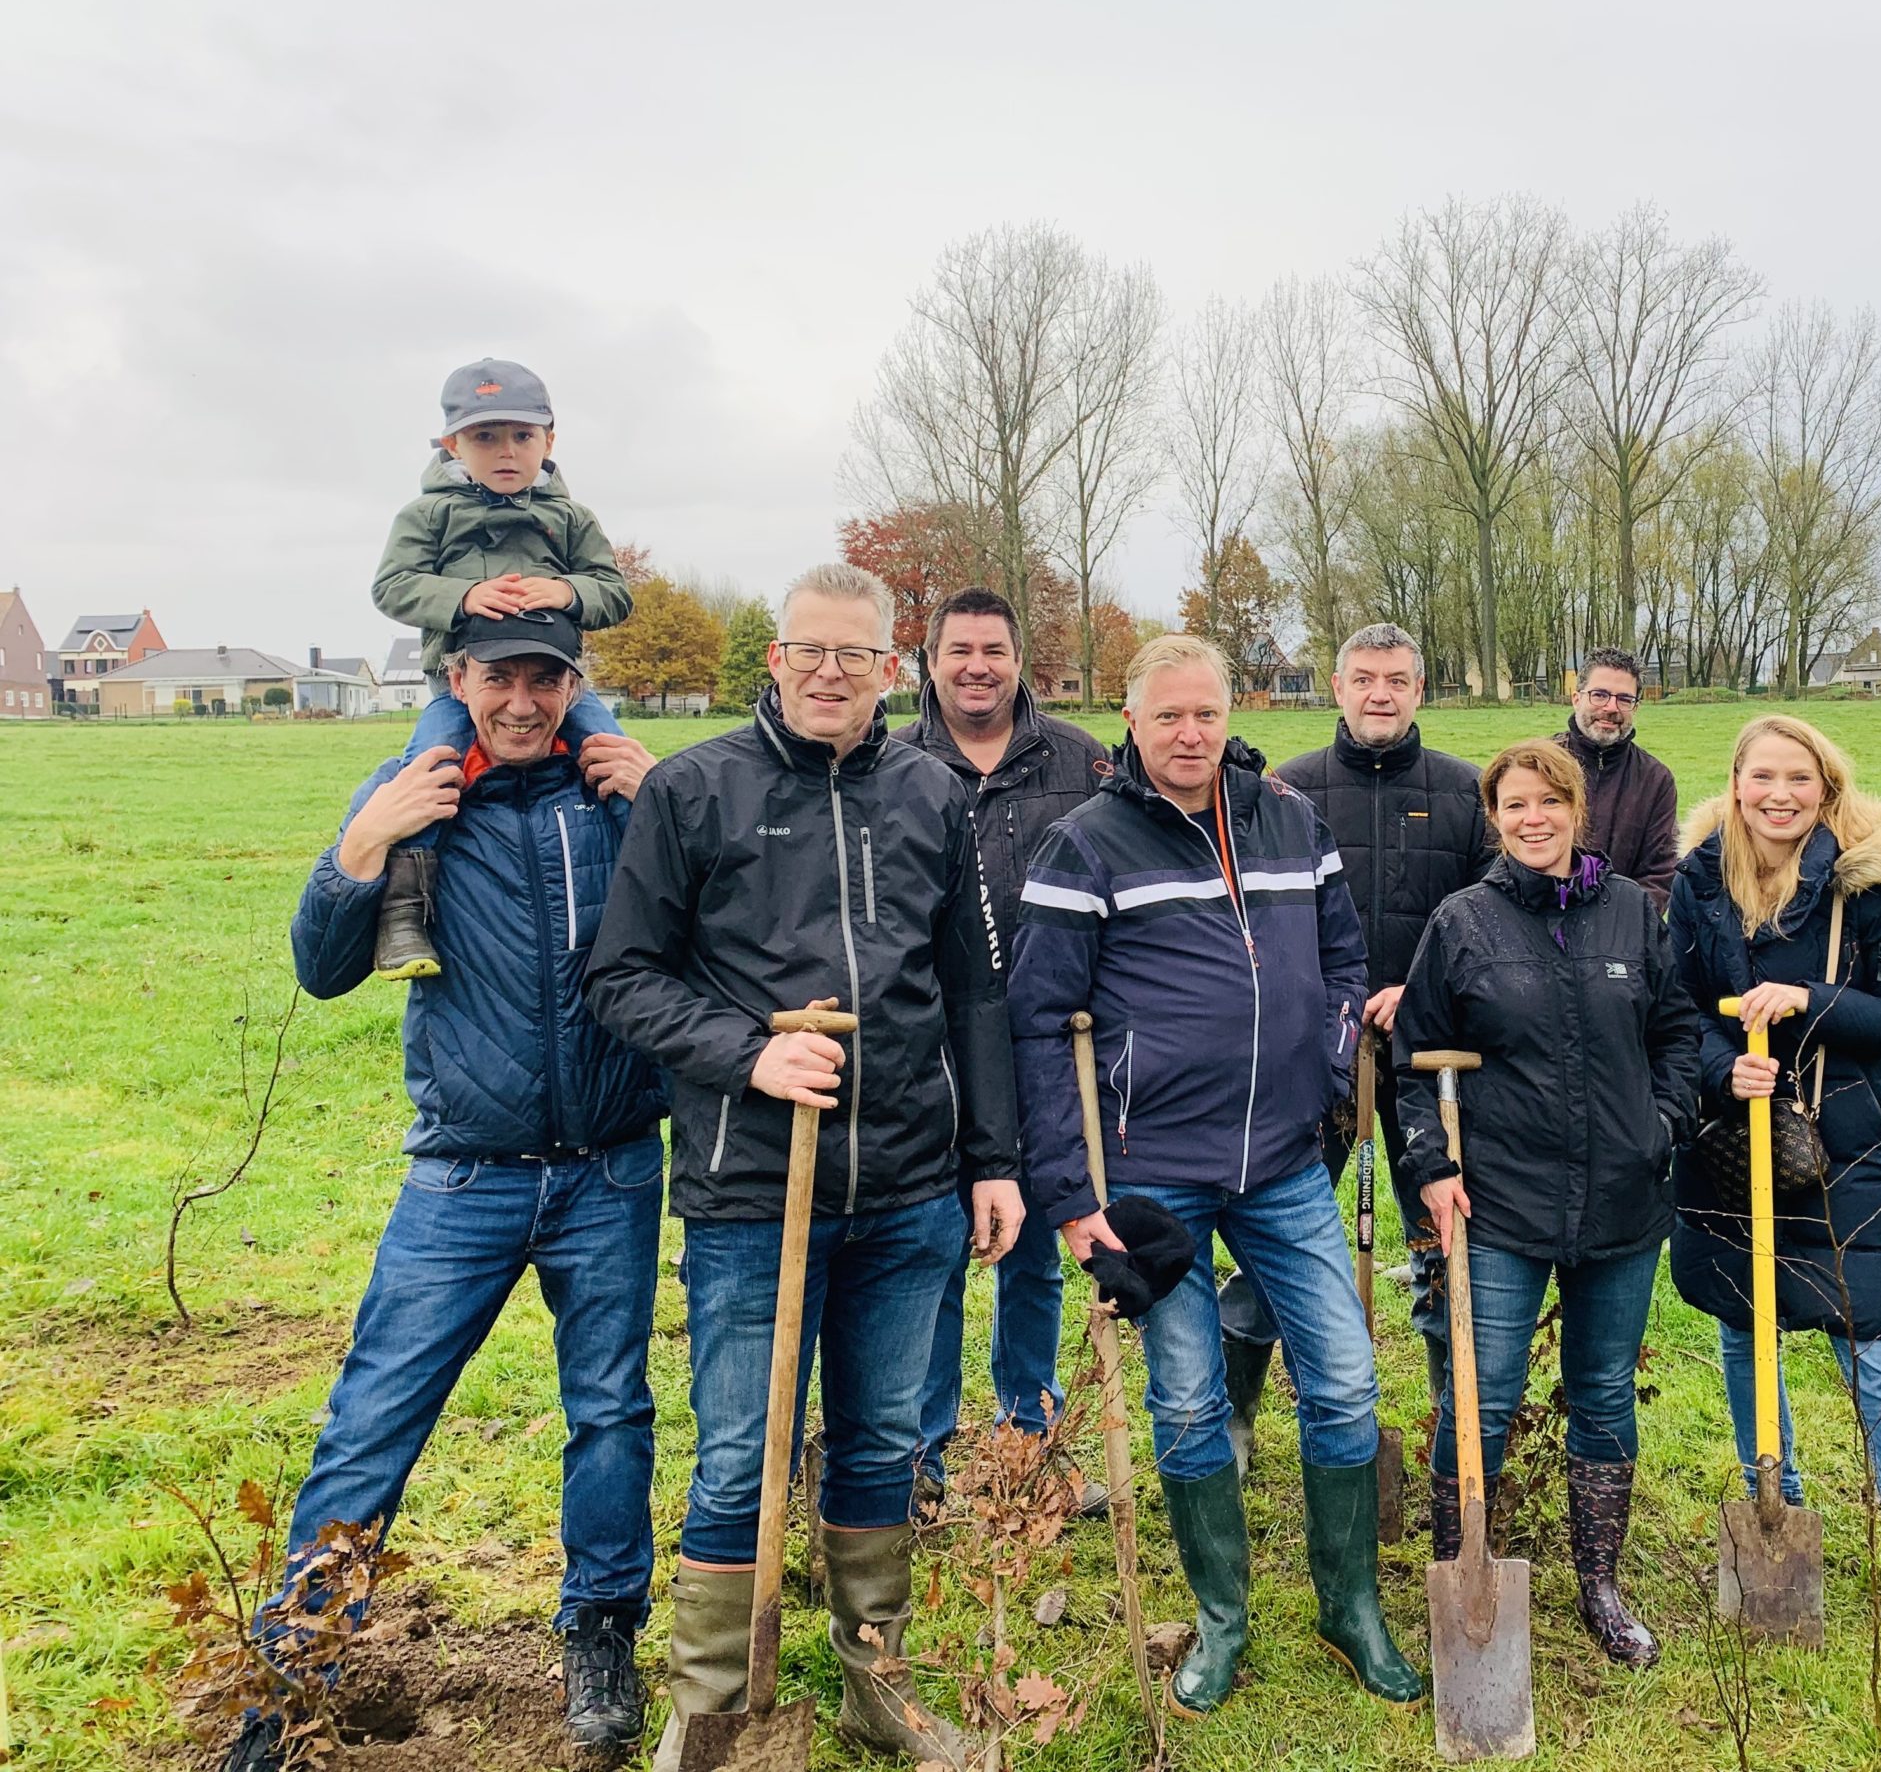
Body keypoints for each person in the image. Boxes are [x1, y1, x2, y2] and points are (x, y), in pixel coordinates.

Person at [583, 562, 1024, 1770]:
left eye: (856, 655)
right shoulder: (692, 793)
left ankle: (874, 1678)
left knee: (882, 1439)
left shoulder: (934, 795)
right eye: (808, 652)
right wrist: (747, 1056)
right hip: (748, 1191)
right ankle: (711, 1700)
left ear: (895, 670)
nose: (831, 674)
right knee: (740, 1452)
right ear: (774, 661)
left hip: (907, 1190)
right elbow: (621, 977)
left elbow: (977, 994)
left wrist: (989, 1159)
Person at [235, 609, 665, 1772]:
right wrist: (362, 845)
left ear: (576, 683)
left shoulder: (615, 794)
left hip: (613, 1167)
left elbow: (713, 937)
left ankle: (600, 1639)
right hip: (463, 1172)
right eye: (499, 677)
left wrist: (663, 804)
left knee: (611, 1416)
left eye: (546, 677)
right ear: (458, 677)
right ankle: (296, 1672)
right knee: (374, 1420)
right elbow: (323, 972)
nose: (523, 700)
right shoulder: (413, 787)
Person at [1008, 634, 1422, 1717]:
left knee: (1343, 1380)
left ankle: (1350, 1606)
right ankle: (1224, 1621)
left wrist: (1333, 1042)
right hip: (1156, 1175)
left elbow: (1341, 949)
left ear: (1227, 713)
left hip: (1284, 1162)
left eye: (1204, 714)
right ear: (1131, 724)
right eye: (1166, 718)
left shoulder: (1288, 820)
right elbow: (1040, 1027)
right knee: (1187, 1402)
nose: (1188, 736)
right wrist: (1071, 1195)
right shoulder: (1083, 846)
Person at [1665, 713, 1881, 1683]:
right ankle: (1777, 1511)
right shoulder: (1698, 882)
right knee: (1745, 1335)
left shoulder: (1867, 885)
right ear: (1737, 782)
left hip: (1853, 1153)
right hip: (1735, 1148)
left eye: (1798, 777)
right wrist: (1724, 1072)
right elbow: (1674, 1010)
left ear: (1825, 786)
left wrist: (1808, 1004)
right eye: (1762, 776)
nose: (1779, 794)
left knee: (1875, 1361)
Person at [1394, 739, 1699, 1667]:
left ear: (1578, 811)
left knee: (1604, 1391)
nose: (1533, 819)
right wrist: (1433, 1168)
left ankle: (1600, 1585)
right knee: (1483, 1394)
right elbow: (1414, 1065)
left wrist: (1664, 1124)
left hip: (1622, 1199)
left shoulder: (1633, 918)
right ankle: (1466, 1567)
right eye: (1514, 805)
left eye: (1548, 803)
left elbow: (1677, 1029)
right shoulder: (1462, 923)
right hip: (1502, 1204)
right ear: (1495, 818)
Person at [1219, 622, 1486, 1470]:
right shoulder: (1284, 794)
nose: (1380, 693)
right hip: (1312, 1063)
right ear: (1336, 686)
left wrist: (1426, 990)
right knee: (1277, 1242)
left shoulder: (1465, 794)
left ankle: (1455, 1421)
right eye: (1364, 678)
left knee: (1439, 1238)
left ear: (1420, 690)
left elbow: (1491, 923)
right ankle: (1237, 1403)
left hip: (1425, 1065)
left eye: (1398, 680)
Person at [894, 586, 1111, 1509]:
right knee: (937, 1245)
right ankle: (923, 1446)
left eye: (994, 649)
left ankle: (1025, 1430)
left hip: (1049, 1042)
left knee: (1031, 1243)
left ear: (1019, 660)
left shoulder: (1079, 761)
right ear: (930, 662)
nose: (977, 667)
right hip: (929, 1046)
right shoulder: (893, 762)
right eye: (959, 651)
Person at [367, 359, 632, 982]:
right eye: (485, 437)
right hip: (461, 688)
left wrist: (565, 592)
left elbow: (613, 592)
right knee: (427, 772)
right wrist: (463, 596)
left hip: (557, 687)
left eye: (522, 435)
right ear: (453, 444)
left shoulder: (572, 520)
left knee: (618, 758)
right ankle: (403, 911)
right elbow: (392, 585)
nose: (506, 451)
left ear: (549, 442)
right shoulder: (427, 516)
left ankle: (649, 887)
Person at [1556, 647, 1678, 911]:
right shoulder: (1539, 766)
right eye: (1599, 695)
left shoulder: (1655, 780)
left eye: (1624, 699)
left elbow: (1659, 874)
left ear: (1636, 707)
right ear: (1576, 698)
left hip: (1620, 936)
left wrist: (1618, 928)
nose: (1611, 708)